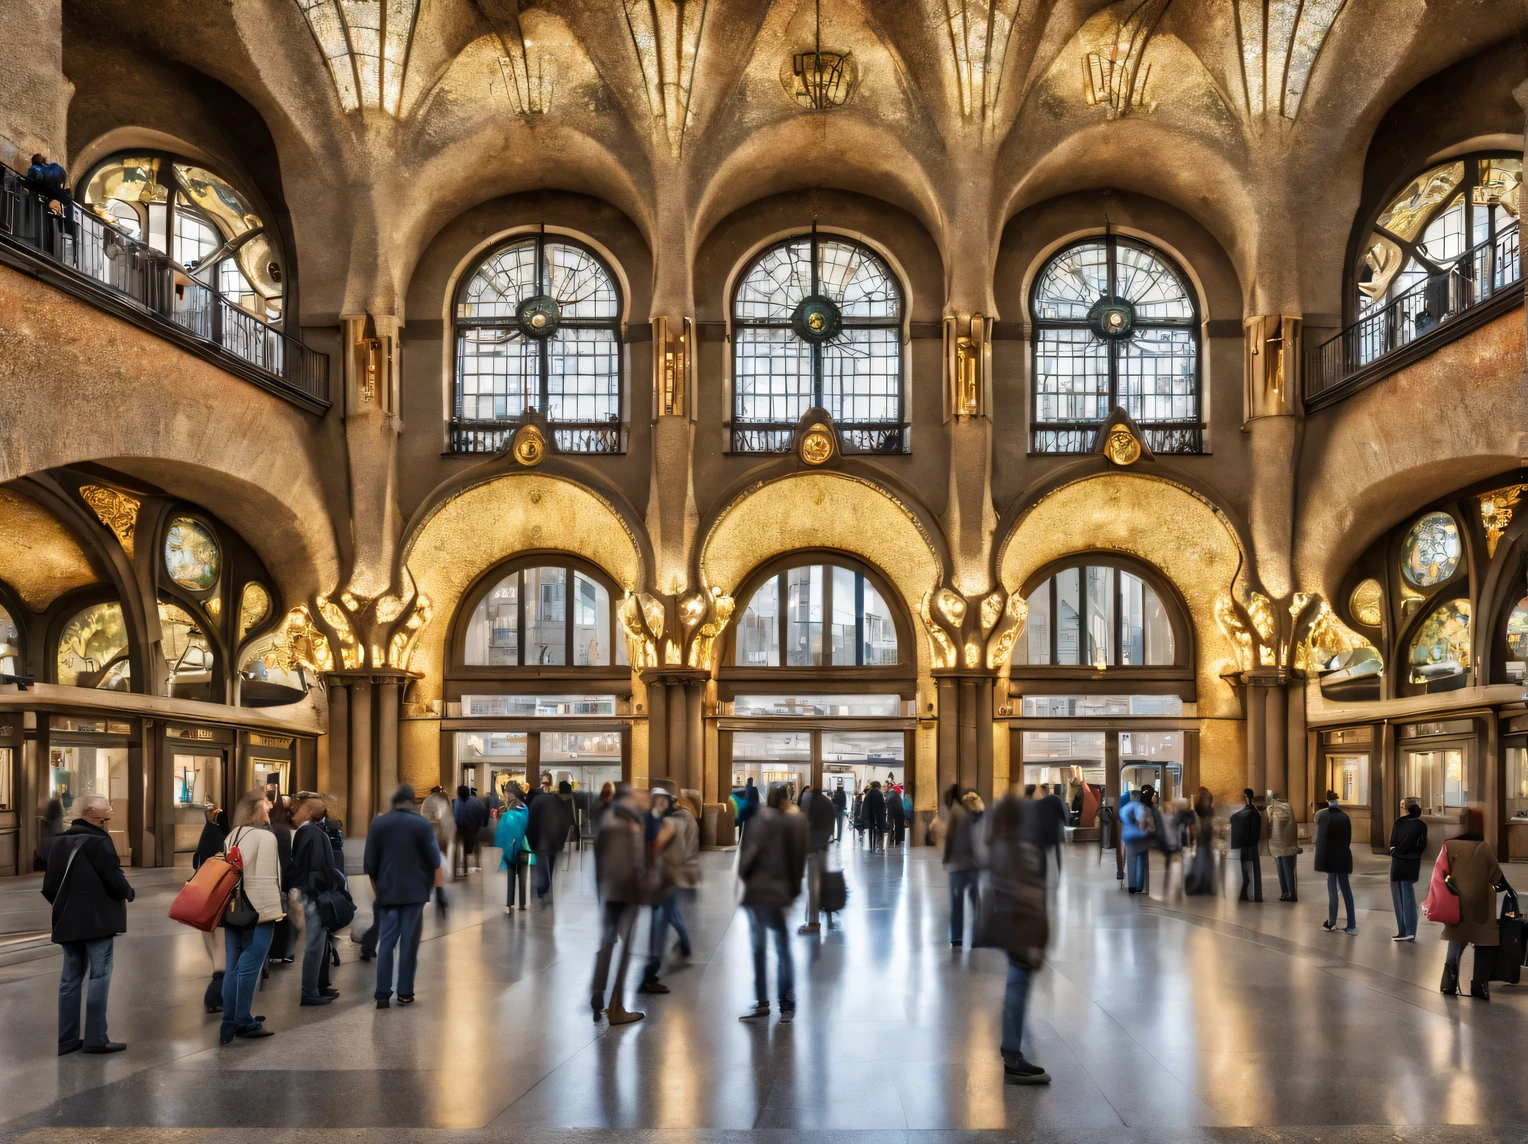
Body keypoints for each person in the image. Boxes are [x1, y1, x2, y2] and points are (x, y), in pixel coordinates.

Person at [41, 792, 134, 1055]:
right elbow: (113, 878)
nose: (111, 807)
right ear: (92, 810)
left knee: (69, 979)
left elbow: (50, 886)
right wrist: (128, 892)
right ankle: (96, 1037)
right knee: (99, 975)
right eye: (107, 804)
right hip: (98, 921)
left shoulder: (54, 843)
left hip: (67, 920)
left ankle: (67, 1039)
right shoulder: (99, 841)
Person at [981, 786, 1051, 1084]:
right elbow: (1024, 890)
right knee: (1017, 985)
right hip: (1020, 926)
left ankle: (1012, 1050)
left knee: (1017, 983)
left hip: (1014, 924)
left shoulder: (1001, 842)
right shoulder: (1012, 846)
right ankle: (1012, 1055)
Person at [363, 785, 442, 1008]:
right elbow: (435, 860)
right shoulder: (422, 824)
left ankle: (381, 993)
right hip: (415, 893)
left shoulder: (378, 823)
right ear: (411, 803)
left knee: (386, 942)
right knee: (409, 943)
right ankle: (405, 992)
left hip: (387, 892)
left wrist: (378, 888)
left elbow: (370, 861)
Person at [219, 790, 285, 1044]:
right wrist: (274, 912)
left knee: (233, 966)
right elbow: (270, 879)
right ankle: (244, 1021)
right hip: (258, 911)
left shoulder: (232, 834)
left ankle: (229, 1021)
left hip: (233, 908)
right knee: (250, 967)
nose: (269, 810)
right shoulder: (265, 837)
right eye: (266, 806)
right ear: (258, 808)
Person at [738, 784, 808, 1022]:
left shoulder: (757, 821)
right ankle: (787, 1005)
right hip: (780, 892)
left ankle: (762, 1004)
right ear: (785, 800)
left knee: (759, 948)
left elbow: (746, 859)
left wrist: (746, 879)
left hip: (757, 893)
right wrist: (794, 889)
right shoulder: (794, 823)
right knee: (782, 947)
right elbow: (798, 860)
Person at [591, 784, 650, 1025]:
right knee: (625, 951)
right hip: (626, 893)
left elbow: (599, 859)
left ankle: (598, 996)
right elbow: (633, 861)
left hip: (609, 891)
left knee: (607, 943)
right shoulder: (628, 824)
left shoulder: (609, 820)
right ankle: (617, 1007)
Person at [1439, 809, 1512, 999]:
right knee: (1485, 941)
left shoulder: (1449, 846)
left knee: (1456, 938)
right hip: (1480, 905)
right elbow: (1496, 875)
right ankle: (1479, 985)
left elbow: (1442, 874)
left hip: (1456, 902)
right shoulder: (1482, 847)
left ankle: (1449, 981)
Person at [291, 794, 343, 1006]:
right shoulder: (314, 833)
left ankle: (317, 988)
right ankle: (309, 992)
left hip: (307, 893)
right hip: (315, 895)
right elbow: (319, 868)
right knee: (315, 945)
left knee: (318, 944)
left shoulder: (304, 831)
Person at [638, 789, 682, 993]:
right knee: (658, 930)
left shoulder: (659, 820)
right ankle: (648, 977)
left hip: (662, 882)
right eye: (662, 800)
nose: (666, 803)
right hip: (654, 883)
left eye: (668, 800)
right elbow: (651, 850)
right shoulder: (650, 821)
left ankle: (650, 974)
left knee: (661, 928)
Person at [192, 804, 229, 1012]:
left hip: (204, 895)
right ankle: (215, 996)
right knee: (221, 951)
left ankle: (217, 992)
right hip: (215, 896)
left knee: (215, 947)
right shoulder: (219, 838)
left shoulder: (208, 833)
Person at [944, 784, 984, 945]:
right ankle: (976, 936)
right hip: (974, 865)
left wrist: (946, 857)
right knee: (975, 903)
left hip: (957, 865)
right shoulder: (982, 815)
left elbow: (949, 837)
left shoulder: (956, 812)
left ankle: (957, 936)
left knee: (957, 902)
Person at [1315, 790, 1356, 934]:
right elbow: (1348, 839)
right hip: (1343, 858)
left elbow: (1321, 841)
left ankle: (1332, 921)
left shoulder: (1323, 817)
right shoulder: (1344, 817)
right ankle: (1352, 922)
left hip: (1331, 859)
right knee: (1345, 889)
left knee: (1332, 889)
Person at [526, 778, 573, 903]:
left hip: (542, 839)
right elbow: (566, 821)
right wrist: (562, 840)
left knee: (542, 863)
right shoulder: (558, 801)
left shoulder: (537, 801)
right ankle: (547, 888)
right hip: (555, 839)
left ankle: (543, 891)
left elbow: (531, 823)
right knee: (550, 862)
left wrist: (531, 842)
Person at [1387, 798, 1427, 941]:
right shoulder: (1421, 825)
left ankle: (1405, 930)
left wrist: (1396, 852)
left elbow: (1393, 843)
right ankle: (1407, 930)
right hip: (1411, 862)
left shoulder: (1400, 823)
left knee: (1401, 896)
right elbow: (1421, 845)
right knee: (1406, 893)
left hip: (1399, 862)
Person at [800, 783, 837, 934]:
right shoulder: (826, 801)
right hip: (824, 846)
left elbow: (806, 824)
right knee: (820, 882)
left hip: (813, 847)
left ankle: (813, 922)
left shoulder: (810, 802)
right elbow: (831, 824)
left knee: (813, 885)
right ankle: (822, 915)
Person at [267, 796, 297, 964]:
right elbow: (285, 859)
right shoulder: (283, 829)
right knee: (284, 917)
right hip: (282, 878)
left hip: (272, 877)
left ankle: (273, 951)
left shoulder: (270, 827)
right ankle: (282, 951)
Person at [495, 784, 532, 910]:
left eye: (506, 793)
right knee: (522, 876)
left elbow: (505, 828)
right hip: (524, 846)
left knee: (511, 875)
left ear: (511, 794)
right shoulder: (524, 808)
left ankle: (509, 903)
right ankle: (521, 904)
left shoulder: (510, 810)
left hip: (511, 846)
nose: (505, 795)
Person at [1119, 784, 1157, 894]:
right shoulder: (1149, 806)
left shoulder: (1129, 805)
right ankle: (1140, 885)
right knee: (1142, 861)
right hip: (1143, 836)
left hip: (1131, 837)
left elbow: (1122, 815)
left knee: (1132, 861)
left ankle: (1132, 885)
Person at [421, 786, 456, 900]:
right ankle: (439, 884)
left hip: (429, 834)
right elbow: (447, 820)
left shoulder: (426, 801)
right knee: (439, 860)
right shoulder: (442, 802)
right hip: (440, 833)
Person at [1230, 789, 1263, 903]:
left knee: (1247, 870)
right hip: (1247, 844)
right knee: (1246, 870)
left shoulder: (1250, 812)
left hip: (1247, 845)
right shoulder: (1251, 811)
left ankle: (1247, 893)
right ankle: (1245, 893)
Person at [1266, 791, 1299, 902]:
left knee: (1281, 870)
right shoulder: (1288, 808)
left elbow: (1268, 826)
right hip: (1287, 844)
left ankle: (1285, 893)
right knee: (1288, 870)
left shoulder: (1270, 809)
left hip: (1275, 844)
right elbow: (1292, 826)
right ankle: (1291, 893)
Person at [452, 784, 486, 876]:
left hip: (461, 828)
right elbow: (482, 813)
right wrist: (480, 824)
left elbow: (455, 816)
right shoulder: (476, 801)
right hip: (472, 828)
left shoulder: (457, 802)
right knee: (470, 848)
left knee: (462, 848)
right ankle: (468, 868)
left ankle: (463, 868)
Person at [1036, 783, 1068, 875]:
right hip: (1054, 830)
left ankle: (1045, 871)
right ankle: (1058, 870)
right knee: (1056, 852)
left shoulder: (1042, 801)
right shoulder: (1054, 799)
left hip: (1048, 831)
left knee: (1045, 852)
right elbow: (1064, 813)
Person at [865, 781, 888, 853]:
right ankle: (878, 845)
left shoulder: (869, 793)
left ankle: (871, 846)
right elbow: (882, 805)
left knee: (871, 830)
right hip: (879, 815)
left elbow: (866, 805)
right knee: (879, 831)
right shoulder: (880, 794)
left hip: (870, 814)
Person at [887, 782, 907, 846]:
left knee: (890, 825)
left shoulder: (890, 795)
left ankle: (890, 838)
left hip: (891, 812)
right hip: (899, 812)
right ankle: (898, 839)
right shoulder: (897, 796)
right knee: (899, 826)